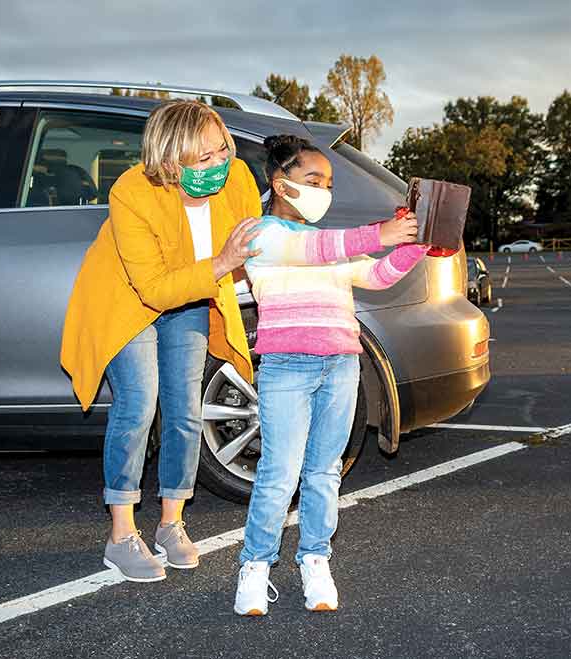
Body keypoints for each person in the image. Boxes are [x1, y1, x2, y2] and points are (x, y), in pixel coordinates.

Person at [60, 100, 261, 583]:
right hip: (129, 301)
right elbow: (151, 288)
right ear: (170, 160)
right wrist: (220, 264)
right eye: (203, 158)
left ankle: (171, 524)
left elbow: (256, 245)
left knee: (185, 409)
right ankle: (121, 534)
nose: (219, 165)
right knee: (139, 403)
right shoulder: (132, 191)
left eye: (222, 150)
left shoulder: (237, 179)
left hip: (190, 298)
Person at [233, 135, 426, 615]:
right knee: (279, 474)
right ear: (281, 183)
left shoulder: (331, 246)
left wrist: (421, 245)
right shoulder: (260, 235)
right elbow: (312, 249)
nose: (325, 190)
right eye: (313, 180)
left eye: (330, 183)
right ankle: (254, 569)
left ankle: (315, 559)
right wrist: (381, 232)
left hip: (341, 365)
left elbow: (379, 276)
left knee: (324, 473)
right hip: (286, 369)